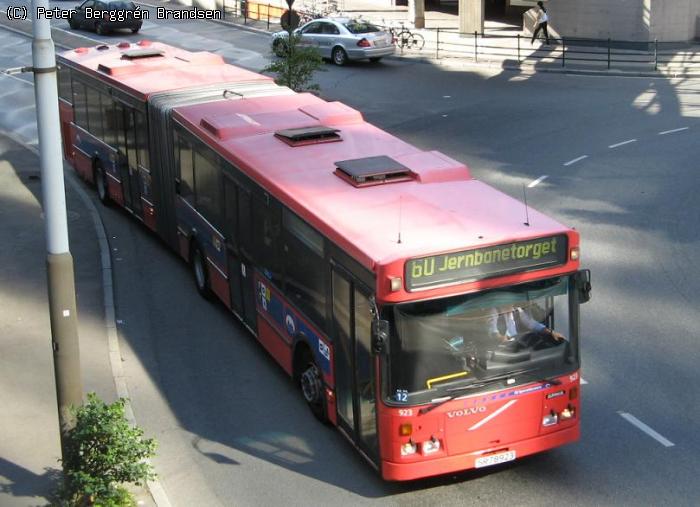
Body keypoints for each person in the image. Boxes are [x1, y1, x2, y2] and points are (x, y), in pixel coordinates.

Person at [488, 304, 565, 344]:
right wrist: (501, 338)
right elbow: (493, 331)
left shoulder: (517, 310)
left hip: (517, 344)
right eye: (510, 303)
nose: (512, 305)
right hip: (502, 348)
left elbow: (532, 324)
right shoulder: (495, 311)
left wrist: (551, 332)